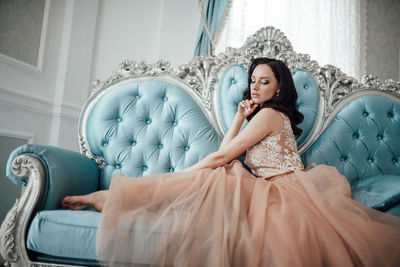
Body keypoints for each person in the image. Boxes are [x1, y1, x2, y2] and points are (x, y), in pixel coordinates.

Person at [62, 58, 400, 267]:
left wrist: (182, 173)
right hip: (272, 189)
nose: (254, 86)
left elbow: (224, 155)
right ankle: (127, 199)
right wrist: (238, 118)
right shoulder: (260, 114)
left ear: (279, 87)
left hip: (284, 194)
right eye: (252, 80)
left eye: (264, 81)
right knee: (223, 173)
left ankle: (123, 197)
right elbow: (229, 148)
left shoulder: (270, 114)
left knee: (220, 171)